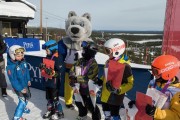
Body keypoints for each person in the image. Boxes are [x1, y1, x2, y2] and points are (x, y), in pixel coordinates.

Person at [99, 38, 134, 120]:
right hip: (105, 94)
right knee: (106, 113)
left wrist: (119, 90)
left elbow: (130, 84)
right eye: (105, 50)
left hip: (114, 98)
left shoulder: (125, 66)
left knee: (114, 116)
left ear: (117, 51)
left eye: (108, 51)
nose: (106, 54)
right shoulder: (108, 62)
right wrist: (101, 80)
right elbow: (106, 75)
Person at [69, 42, 101, 120]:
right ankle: (82, 115)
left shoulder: (93, 64)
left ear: (90, 52)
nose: (83, 51)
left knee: (90, 104)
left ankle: (96, 118)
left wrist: (76, 79)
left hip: (88, 88)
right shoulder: (80, 60)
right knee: (79, 102)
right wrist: (72, 76)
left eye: (85, 50)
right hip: (79, 87)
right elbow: (73, 69)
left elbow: (89, 77)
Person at [145, 55, 180, 120]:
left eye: (155, 71)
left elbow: (177, 116)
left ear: (167, 72)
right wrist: (138, 104)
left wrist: (156, 113)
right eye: (152, 70)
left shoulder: (176, 92)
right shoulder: (153, 83)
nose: (153, 74)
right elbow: (148, 100)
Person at [40, 40, 64, 120]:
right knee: (48, 98)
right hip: (48, 81)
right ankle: (51, 110)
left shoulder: (58, 57)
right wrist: (42, 67)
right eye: (46, 49)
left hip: (54, 83)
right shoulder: (48, 56)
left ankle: (59, 112)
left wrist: (52, 73)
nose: (46, 51)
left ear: (53, 48)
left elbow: (59, 71)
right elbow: (46, 67)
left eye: (47, 49)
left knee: (55, 98)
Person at [6, 45, 31, 120]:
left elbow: (26, 72)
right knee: (22, 100)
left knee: (28, 97)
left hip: (25, 84)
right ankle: (17, 117)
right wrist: (20, 89)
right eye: (18, 56)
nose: (21, 57)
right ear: (12, 56)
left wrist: (28, 80)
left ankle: (23, 108)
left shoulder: (23, 62)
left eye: (22, 55)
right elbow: (13, 80)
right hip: (18, 87)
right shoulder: (10, 67)